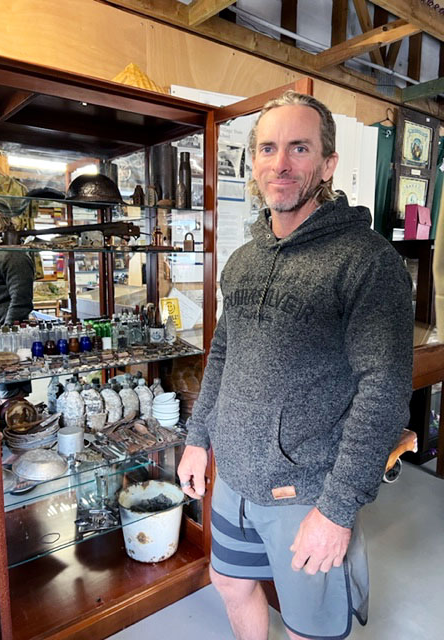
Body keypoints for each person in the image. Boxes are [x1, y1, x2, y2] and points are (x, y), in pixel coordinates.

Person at [177, 91, 414, 640]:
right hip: (234, 478)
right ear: (253, 161)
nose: (280, 163)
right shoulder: (242, 260)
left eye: (299, 148)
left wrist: (336, 509)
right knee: (230, 582)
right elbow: (223, 354)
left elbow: (383, 392)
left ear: (327, 163)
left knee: (311, 628)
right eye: (268, 148)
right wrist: (198, 437)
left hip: (306, 488)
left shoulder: (367, 261)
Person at [0, 207, 35, 398]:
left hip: (5, 339)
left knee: (12, 401)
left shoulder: (12, 254)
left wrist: (7, 337)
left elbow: (21, 301)